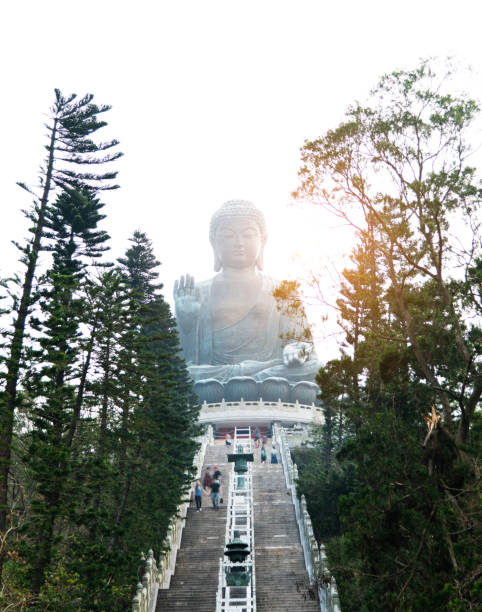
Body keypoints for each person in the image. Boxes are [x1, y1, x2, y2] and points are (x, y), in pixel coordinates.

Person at [174, 200, 321, 383]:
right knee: (177, 376)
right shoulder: (197, 293)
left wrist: (297, 349)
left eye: (248, 235)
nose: (238, 243)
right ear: (213, 241)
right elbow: (179, 362)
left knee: (316, 369)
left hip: (268, 372)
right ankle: (253, 381)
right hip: (217, 376)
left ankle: (252, 381)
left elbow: (305, 348)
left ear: (263, 240)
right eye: (228, 236)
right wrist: (186, 323)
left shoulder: (284, 291)